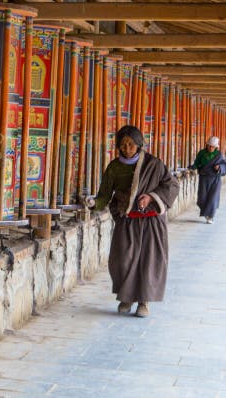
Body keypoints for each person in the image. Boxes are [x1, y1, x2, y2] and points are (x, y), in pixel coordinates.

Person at [84, 125, 178, 318]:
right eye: (123, 144)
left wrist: (151, 197)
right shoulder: (114, 167)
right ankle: (127, 297)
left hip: (151, 222)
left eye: (131, 144)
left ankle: (144, 302)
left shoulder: (154, 164)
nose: (127, 148)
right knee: (123, 261)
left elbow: (171, 185)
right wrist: (94, 202)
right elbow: (104, 195)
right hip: (127, 221)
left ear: (139, 144)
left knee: (148, 262)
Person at [189, 136, 226, 224]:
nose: (210, 148)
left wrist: (219, 168)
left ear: (216, 147)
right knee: (202, 197)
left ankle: (211, 216)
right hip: (204, 178)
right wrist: (193, 167)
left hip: (215, 179)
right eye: (209, 146)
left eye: (213, 147)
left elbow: (225, 166)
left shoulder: (219, 155)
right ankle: (206, 213)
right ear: (207, 145)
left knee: (213, 197)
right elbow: (197, 162)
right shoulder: (202, 153)